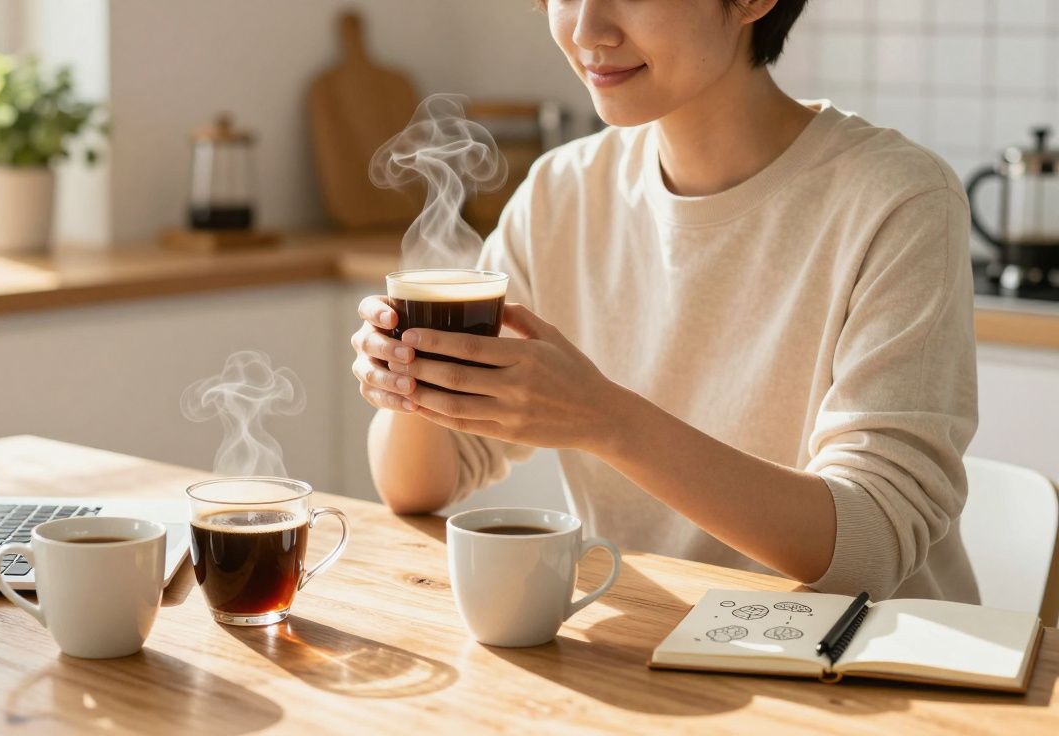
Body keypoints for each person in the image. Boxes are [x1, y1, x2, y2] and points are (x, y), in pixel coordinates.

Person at [349, 0, 978, 602]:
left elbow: (871, 542)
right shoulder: (560, 193)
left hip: (868, 672)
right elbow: (417, 487)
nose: (588, 30)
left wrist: (606, 420)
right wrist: (410, 376)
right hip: (655, 651)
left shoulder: (897, 198)